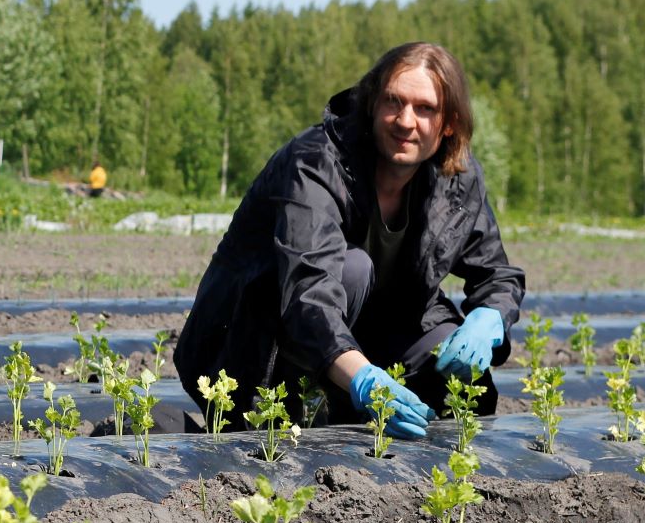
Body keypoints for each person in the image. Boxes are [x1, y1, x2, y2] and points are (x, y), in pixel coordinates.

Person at [174, 41, 525, 439]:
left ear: (449, 123)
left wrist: (489, 318)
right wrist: (363, 379)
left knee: (463, 390)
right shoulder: (315, 162)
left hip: (375, 330)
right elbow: (309, 292)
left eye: (425, 108)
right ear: (373, 105)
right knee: (352, 269)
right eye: (394, 102)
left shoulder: (457, 180)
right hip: (248, 344)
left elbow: (497, 274)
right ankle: (291, 417)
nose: (406, 121)